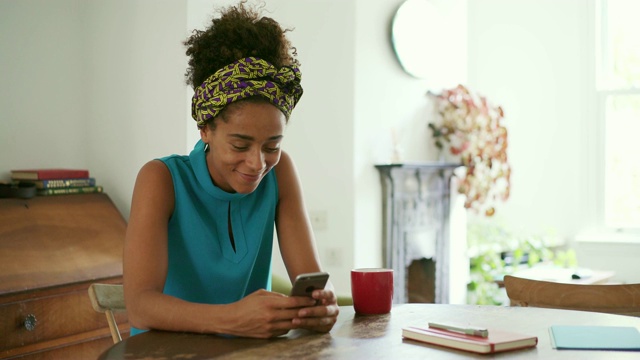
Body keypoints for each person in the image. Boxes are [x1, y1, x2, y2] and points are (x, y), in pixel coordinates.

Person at [123, 0, 339, 339]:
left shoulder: (280, 175)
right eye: (240, 145)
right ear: (205, 129)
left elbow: (309, 281)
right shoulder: (161, 180)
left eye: (272, 146)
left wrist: (319, 309)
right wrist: (233, 320)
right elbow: (140, 305)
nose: (257, 163)